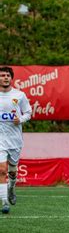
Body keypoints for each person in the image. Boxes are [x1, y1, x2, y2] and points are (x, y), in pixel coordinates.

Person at [0, 66, 32, 214]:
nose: (5, 77)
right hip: (1, 139)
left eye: (7, 75)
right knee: (2, 170)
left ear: (11, 78)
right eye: (2, 75)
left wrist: (20, 120)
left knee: (12, 171)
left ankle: (11, 188)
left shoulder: (19, 95)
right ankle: (4, 201)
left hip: (15, 139)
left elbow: (28, 113)